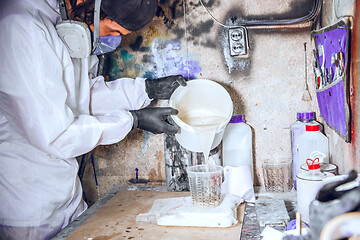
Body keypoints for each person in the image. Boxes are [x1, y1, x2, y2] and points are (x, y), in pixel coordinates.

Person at [0, 0, 186, 239]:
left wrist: (147, 90)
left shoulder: (69, 20)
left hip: (66, 197)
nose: (113, 41)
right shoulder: (21, 27)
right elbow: (57, 136)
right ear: (93, 6)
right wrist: (133, 120)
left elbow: (83, 95)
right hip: (29, 208)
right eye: (114, 31)